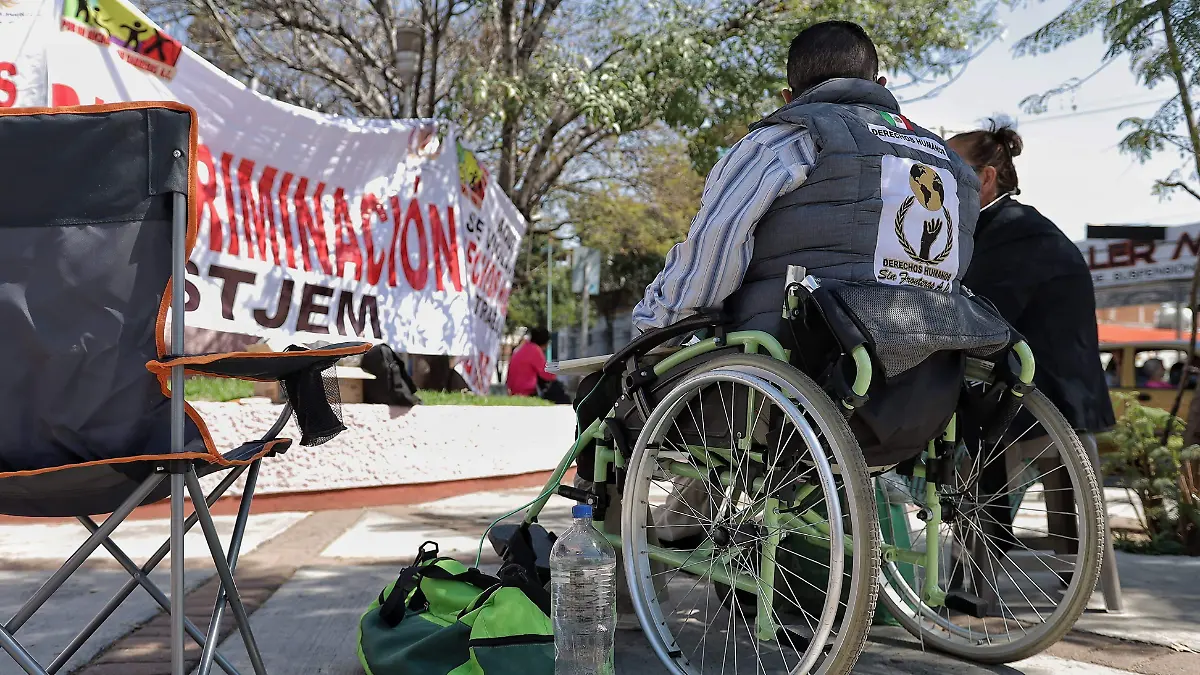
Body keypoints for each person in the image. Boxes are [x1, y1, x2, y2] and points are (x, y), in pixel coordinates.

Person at [632, 21, 979, 335]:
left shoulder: (783, 140)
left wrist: (656, 325)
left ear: (789, 97)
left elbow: (712, 256)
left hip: (798, 354)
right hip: (932, 353)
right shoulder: (953, 165)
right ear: (880, 85)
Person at [948, 120, 1122, 610]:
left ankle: (972, 570)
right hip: (1056, 392)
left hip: (1048, 398)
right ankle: (982, 561)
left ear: (985, 178)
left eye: (949, 168)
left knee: (945, 422)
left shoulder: (1012, 233)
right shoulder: (1009, 227)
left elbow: (978, 322)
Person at [506, 328, 570, 404]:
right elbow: (547, 374)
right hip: (526, 391)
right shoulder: (534, 350)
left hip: (514, 390)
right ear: (545, 342)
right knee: (557, 388)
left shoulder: (523, 348)